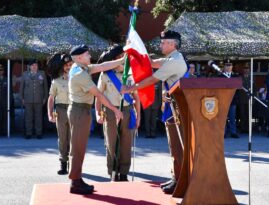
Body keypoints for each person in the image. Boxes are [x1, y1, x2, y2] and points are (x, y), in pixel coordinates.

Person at [121, 30, 187, 194]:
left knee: (178, 145)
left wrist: (131, 88)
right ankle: (177, 177)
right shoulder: (172, 58)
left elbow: (152, 79)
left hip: (178, 108)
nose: (160, 45)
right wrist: (134, 50)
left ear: (172, 44)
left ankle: (181, 180)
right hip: (173, 106)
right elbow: (151, 63)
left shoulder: (174, 61)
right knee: (174, 145)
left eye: (163, 42)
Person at [68, 44, 124, 195]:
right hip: (79, 111)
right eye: (87, 55)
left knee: (79, 147)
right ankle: (75, 182)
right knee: (78, 148)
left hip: (81, 110)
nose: (89, 56)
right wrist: (115, 109)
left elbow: (102, 66)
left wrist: (122, 60)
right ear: (79, 58)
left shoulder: (81, 67)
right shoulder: (80, 73)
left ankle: (77, 179)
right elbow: (98, 94)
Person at [95, 45, 141, 182]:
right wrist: (98, 113)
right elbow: (98, 95)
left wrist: (138, 116)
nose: (123, 59)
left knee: (126, 144)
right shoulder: (105, 75)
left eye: (124, 57)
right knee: (111, 143)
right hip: (110, 112)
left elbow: (136, 98)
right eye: (120, 57)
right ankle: (113, 172)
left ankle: (124, 172)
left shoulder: (131, 75)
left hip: (127, 111)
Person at [47, 53, 73, 175]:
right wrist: (50, 113)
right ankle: (63, 164)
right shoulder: (56, 81)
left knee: (73, 139)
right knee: (62, 138)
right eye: (66, 65)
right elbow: (51, 99)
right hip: (61, 110)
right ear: (63, 67)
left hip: (74, 110)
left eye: (70, 64)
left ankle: (73, 164)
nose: (68, 67)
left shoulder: (77, 79)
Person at [19, 60, 48, 139]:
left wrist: (45, 97)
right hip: (28, 99)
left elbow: (45, 87)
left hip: (39, 99)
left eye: (35, 65)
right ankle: (29, 133)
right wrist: (22, 98)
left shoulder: (41, 74)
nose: (34, 67)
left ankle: (38, 133)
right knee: (28, 117)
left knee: (38, 117)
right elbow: (22, 87)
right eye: (32, 65)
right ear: (29, 66)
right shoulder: (25, 74)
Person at [219, 60, 239, 138]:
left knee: (232, 117)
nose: (228, 67)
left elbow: (237, 88)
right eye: (226, 65)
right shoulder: (220, 76)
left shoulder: (236, 76)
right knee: (223, 118)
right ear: (224, 67)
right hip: (223, 100)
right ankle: (223, 132)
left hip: (232, 100)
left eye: (229, 65)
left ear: (232, 67)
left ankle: (233, 132)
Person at [0, 64, 8, 136]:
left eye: (1, 70)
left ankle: (5, 131)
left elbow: (9, 91)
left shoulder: (6, 79)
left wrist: (10, 101)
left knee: (5, 117)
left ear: (3, 71)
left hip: (5, 101)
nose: (0, 72)